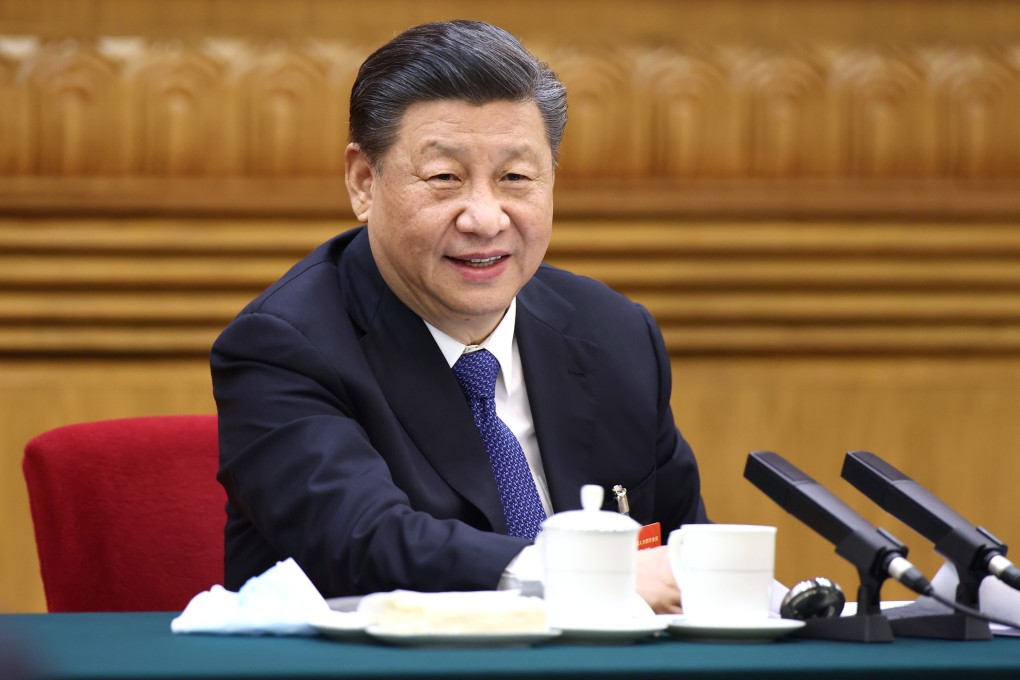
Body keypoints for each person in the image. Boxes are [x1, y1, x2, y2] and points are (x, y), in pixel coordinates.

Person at [211, 19, 708, 615]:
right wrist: (580, 578)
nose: (484, 217)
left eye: (515, 178)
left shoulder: (614, 333)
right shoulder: (283, 346)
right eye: (445, 178)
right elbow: (366, 544)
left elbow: (679, 555)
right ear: (364, 182)